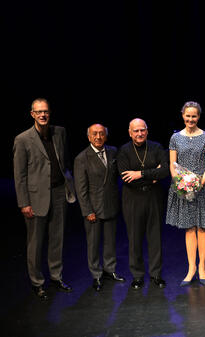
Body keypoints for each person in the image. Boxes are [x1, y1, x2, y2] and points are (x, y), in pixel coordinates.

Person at [13, 98, 76, 300]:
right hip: (35, 197)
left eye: (46, 112)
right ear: (32, 114)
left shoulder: (60, 132)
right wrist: (24, 202)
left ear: (50, 113)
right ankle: (37, 282)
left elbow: (63, 159)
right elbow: (19, 174)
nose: (43, 115)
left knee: (57, 239)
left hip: (58, 192)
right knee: (35, 242)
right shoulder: (22, 139)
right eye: (39, 112)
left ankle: (56, 277)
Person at [166, 102, 205, 286]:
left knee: (202, 228)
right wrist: (183, 184)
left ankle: (202, 266)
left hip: (202, 188)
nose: (190, 119)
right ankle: (191, 268)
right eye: (187, 116)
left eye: (194, 116)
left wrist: (197, 184)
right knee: (189, 228)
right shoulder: (175, 138)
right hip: (183, 187)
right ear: (182, 116)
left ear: (198, 117)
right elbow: (173, 165)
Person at [117, 118, 169, 290]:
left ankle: (156, 274)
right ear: (130, 132)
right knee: (134, 238)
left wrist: (140, 174)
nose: (139, 134)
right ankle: (138, 276)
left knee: (155, 237)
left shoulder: (156, 147)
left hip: (154, 197)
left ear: (147, 131)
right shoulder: (124, 151)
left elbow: (165, 171)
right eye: (136, 131)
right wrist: (152, 176)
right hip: (132, 198)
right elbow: (126, 178)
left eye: (142, 130)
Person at [74, 124, 125, 292]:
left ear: (106, 136)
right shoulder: (82, 158)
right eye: (94, 134)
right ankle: (96, 275)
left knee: (110, 242)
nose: (98, 137)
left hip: (110, 205)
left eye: (101, 134)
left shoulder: (113, 151)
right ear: (89, 137)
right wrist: (87, 210)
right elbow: (81, 189)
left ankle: (110, 270)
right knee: (93, 244)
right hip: (93, 209)